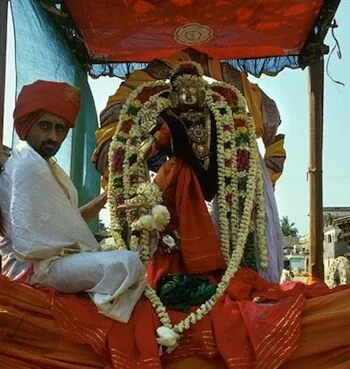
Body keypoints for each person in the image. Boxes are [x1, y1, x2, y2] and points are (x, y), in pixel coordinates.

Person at [0, 80, 145, 323]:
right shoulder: (27, 165)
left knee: (126, 257)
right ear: (27, 125)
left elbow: (68, 222)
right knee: (126, 263)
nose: (53, 136)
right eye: (45, 126)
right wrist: (85, 249)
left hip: (49, 261)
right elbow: (33, 245)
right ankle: (105, 320)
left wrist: (108, 197)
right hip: (33, 269)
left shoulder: (43, 164)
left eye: (60, 129)